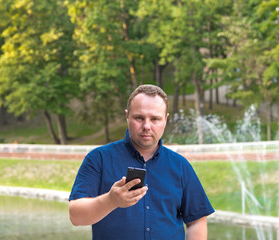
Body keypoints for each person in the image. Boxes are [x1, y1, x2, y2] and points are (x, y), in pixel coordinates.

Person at [68, 84, 214, 240]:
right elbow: (76, 216)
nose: (146, 126)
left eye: (155, 119)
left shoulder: (180, 166)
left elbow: (196, 221)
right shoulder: (99, 159)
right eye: (139, 118)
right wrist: (111, 201)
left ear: (165, 119)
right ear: (127, 116)